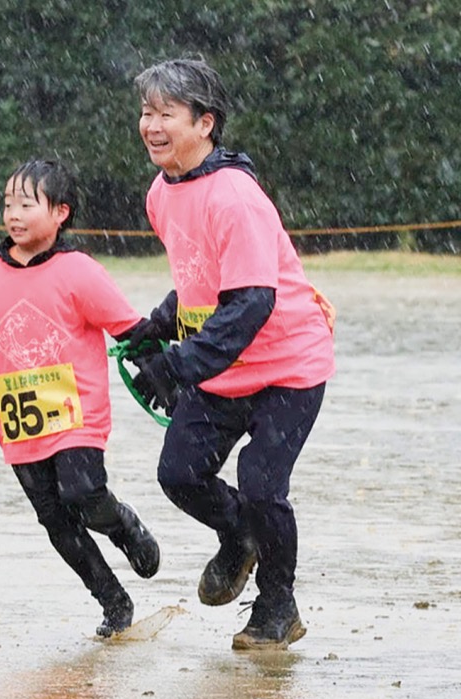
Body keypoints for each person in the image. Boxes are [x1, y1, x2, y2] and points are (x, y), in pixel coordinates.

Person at [129, 58, 335, 650]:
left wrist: (179, 365)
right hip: (223, 367)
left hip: (288, 365)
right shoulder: (161, 194)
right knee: (179, 473)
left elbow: (250, 303)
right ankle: (241, 535)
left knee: (262, 482)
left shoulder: (235, 197)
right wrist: (158, 324)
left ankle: (277, 604)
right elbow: (200, 277)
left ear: (205, 123)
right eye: (146, 112)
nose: (152, 126)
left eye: (167, 113)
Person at [0, 159, 162, 637]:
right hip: (19, 419)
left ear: (60, 213)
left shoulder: (79, 270)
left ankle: (123, 526)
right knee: (55, 518)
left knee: (83, 494)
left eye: (26, 205)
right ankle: (111, 600)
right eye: (8, 204)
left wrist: (165, 379)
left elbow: (130, 328)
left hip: (76, 414)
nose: (13, 215)